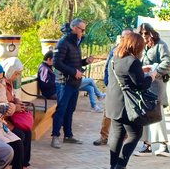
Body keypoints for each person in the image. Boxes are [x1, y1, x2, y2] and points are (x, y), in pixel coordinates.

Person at [105, 32, 152, 169]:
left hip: (113, 101)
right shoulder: (133, 61)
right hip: (126, 105)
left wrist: (141, 71)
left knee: (118, 134)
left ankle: (113, 167)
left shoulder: (115, 57)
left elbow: (127, 76)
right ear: (136, 46)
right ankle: (121, 165)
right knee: (135, 134)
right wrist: (151, 76)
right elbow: (140, 85)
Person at [51, 18, 93, 148]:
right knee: (61, 110)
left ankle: (68, 135)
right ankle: (55, 136)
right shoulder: (63, 42)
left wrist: (85, 61)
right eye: (82, 29)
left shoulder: (75, 43)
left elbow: (74, 61)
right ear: (75, 28)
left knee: (70, 110)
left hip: (74, 83)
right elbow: (56, 62)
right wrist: (73, 72)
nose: (83, 32)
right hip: (64, 82)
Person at [134, 23, 170, 157]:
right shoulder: (142, 47)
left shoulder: (160, 45)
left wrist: (155, 71)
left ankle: (163, 145)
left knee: (157, 115)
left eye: (146, 33)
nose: (144, 36)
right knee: (145, 115)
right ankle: (147, 145)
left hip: (156, 86)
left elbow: (167, 62)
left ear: (151, 32)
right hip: (145, 86)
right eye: (141, 34)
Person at [93, 29, 132, 146]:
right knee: (107, 112)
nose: (124, 39)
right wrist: (107, 82)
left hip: (126, 88)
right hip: (113, 87)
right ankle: (103, 136)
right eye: (123, 37)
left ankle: (124, 138)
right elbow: (107, 67)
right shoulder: (114, 50)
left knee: (125, 113)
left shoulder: (132, 52)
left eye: (127, 37)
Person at [1, 57, 36, 169]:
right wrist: (15, 107)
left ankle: (23, 165)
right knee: (19, 135)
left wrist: (16, 101)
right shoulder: (0, 83)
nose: (16, 76)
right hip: (3, 120)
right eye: (16, 73)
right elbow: (0, 106)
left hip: (11, 117)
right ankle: (16, 167)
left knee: (27, 132)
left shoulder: (9, 82)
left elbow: (11, 97)